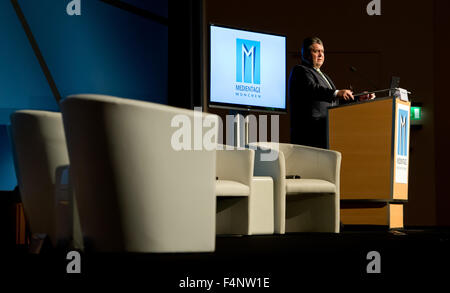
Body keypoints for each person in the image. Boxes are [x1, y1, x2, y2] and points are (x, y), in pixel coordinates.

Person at [289, 37, 374, 148]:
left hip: (325, 132)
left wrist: (358, 98)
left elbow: (336, 102)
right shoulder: (300, 70)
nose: (321, 55)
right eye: (316, 51)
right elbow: (313, 89)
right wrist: (336, 93)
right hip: (309, 134)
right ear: (305, 54)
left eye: (322, 52)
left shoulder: (325, 76)